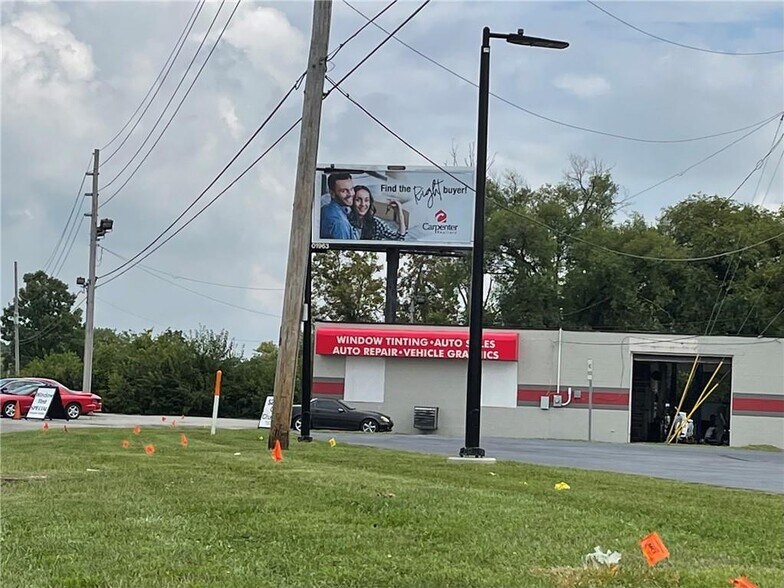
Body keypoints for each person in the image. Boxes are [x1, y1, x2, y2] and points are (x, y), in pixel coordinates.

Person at [320, 172, 356, 240]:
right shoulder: (339, 223)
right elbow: (343, 249)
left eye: (351, 189)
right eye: (344, 191)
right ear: (332, 193)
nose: (350, 194)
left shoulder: (325, 209)